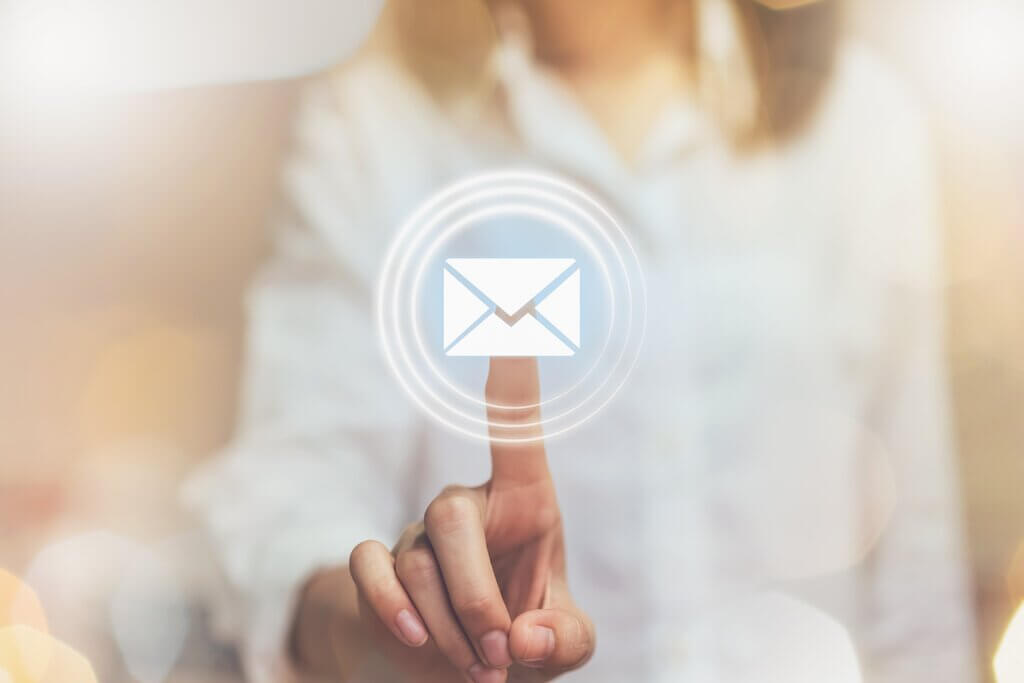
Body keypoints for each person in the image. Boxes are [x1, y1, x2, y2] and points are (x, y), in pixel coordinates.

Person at [184, 1, 980, 681]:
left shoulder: (859, 123)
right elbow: (293, 502)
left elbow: (915, 573)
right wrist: (397, 632)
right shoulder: (378, 128)